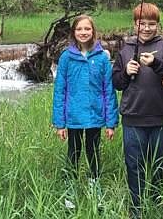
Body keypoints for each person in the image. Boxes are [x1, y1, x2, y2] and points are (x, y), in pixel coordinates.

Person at [112, 3, 163, 218]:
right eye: (142, 23)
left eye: (151, 24)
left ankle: (155, 203)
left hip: (160, 116)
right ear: (135, 24)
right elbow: (116, 82)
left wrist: (156, 64)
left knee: (157, 162)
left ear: (157, 25)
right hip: (133, 117)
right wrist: (125, 72)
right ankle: (137, 208)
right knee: (134, 164)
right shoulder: (125, 48)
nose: (147, 28)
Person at [52, 15, 119, 209]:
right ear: (74, 32)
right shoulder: (66, 57)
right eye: (79, 29)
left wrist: (110, 122)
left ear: (93, 31)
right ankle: (70, 192)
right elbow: (60, 91)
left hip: (94, 117)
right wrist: (60, 123)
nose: (83, 33)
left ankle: (95, 190)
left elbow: (108, 90)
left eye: (87, 29)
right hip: (73, 117)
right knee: (73, 153)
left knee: (93, 152)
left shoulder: (101, 58)